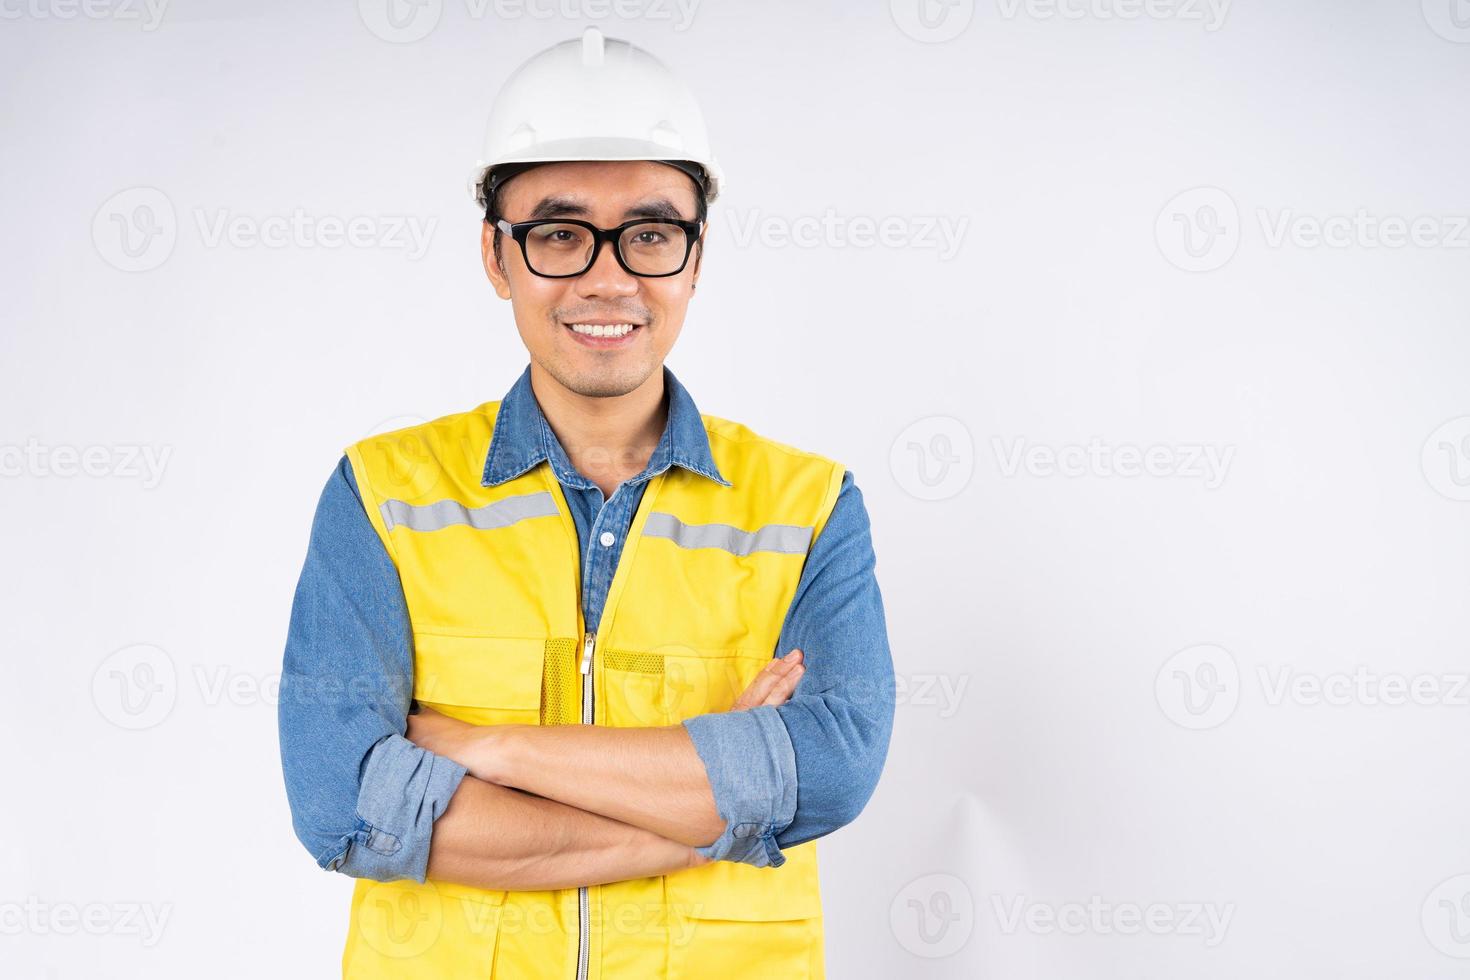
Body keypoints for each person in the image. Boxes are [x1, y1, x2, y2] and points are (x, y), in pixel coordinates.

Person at [277, 27, 895, 979]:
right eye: (559, 234)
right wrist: (720, 811)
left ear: (695, 258)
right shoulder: (383, 492)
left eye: (650, 234)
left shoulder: (809, 504)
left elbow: (834, 771)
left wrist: (488, 748)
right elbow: (340, 802)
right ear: (497, 256)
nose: (609, 278)